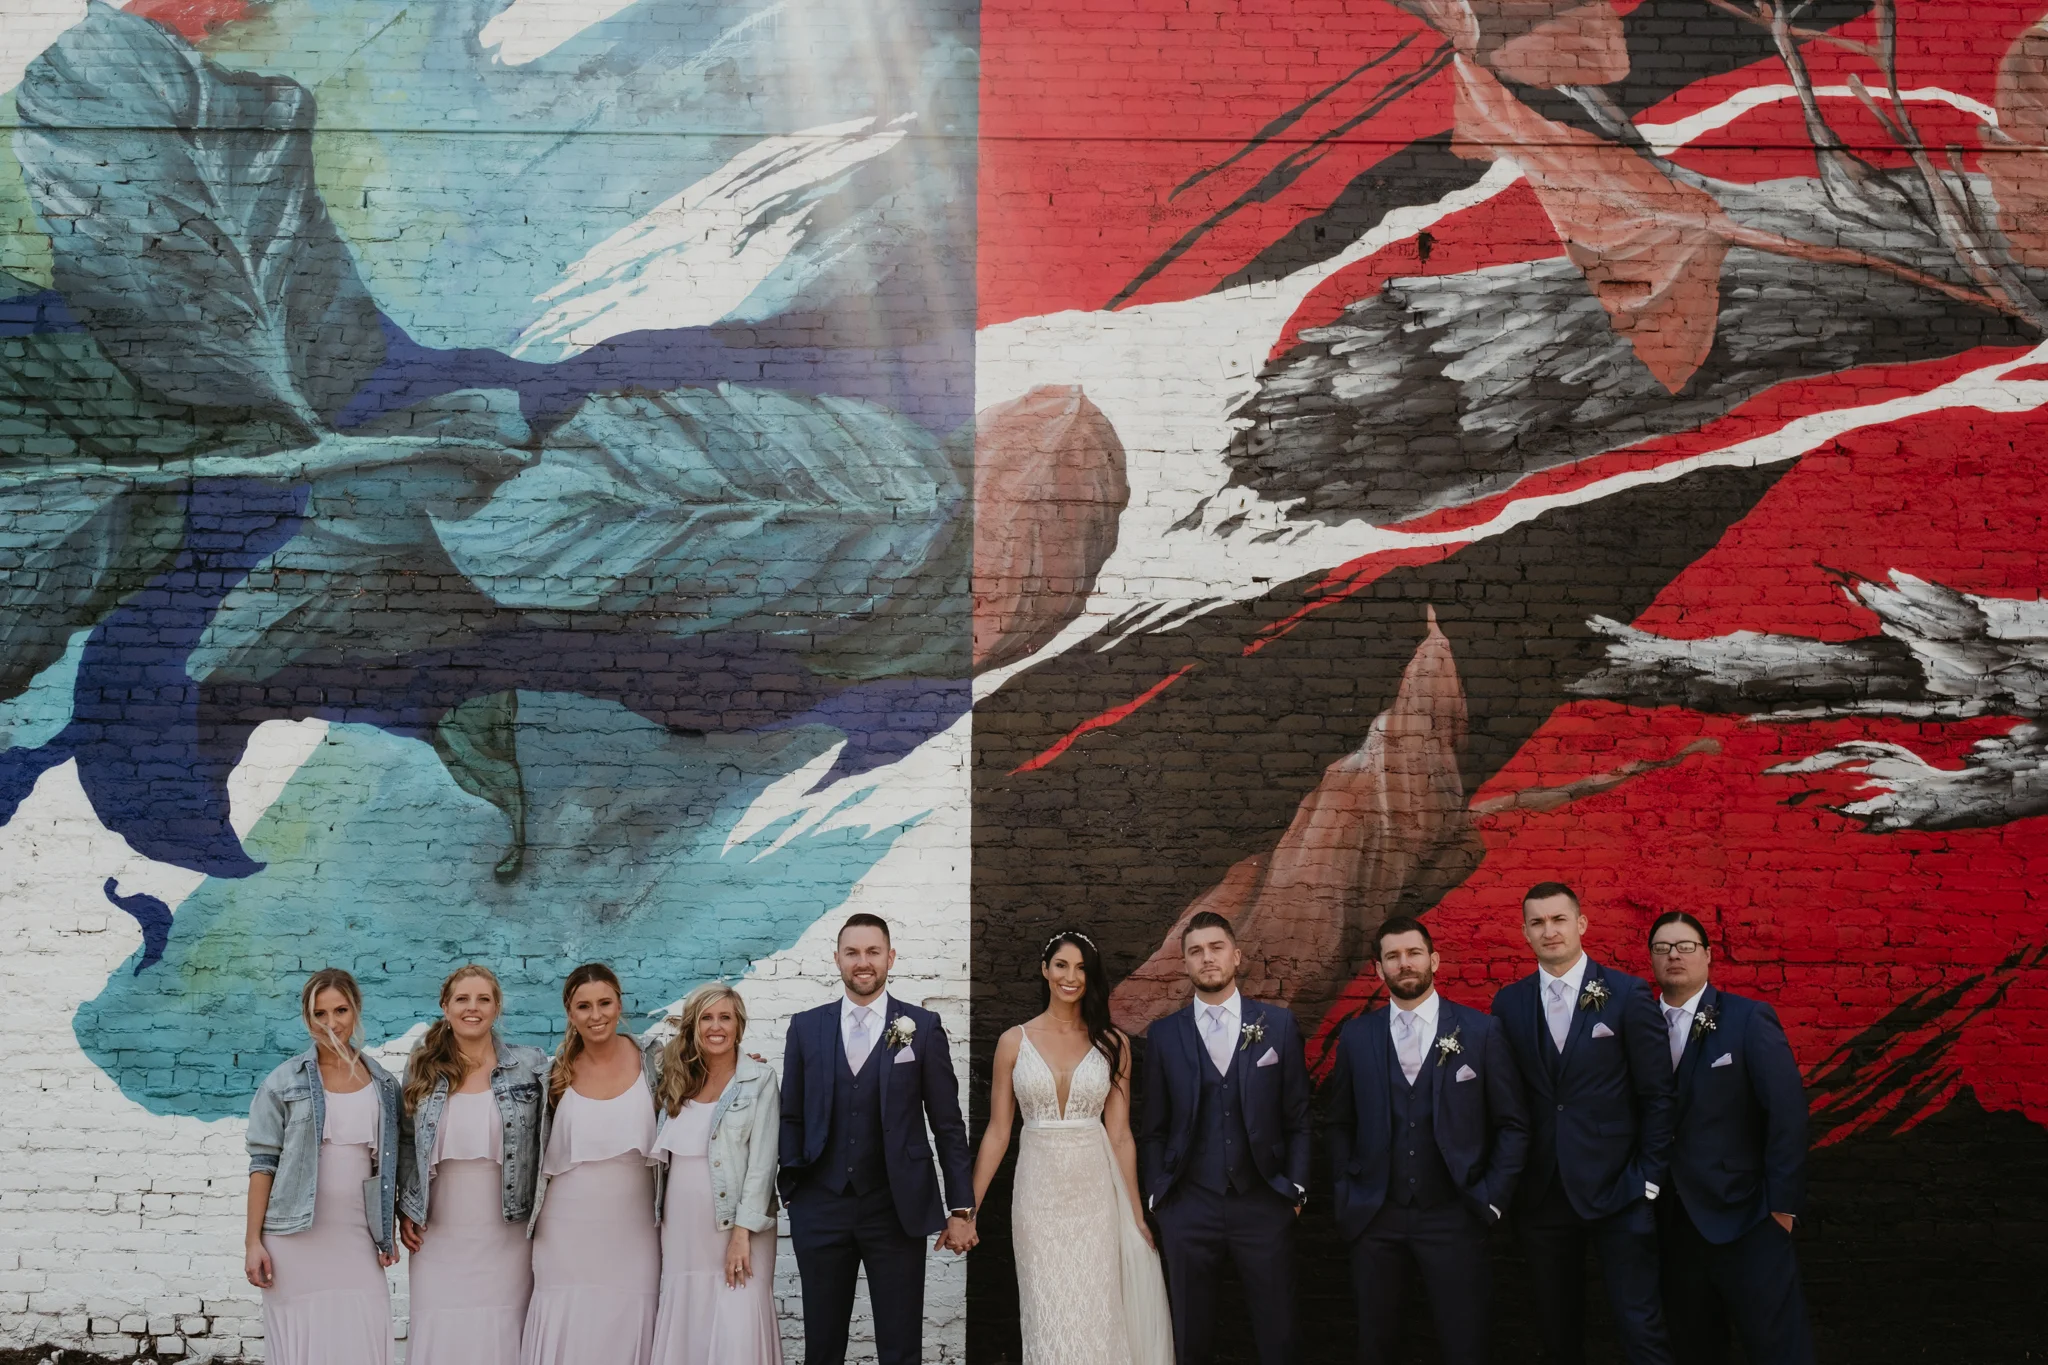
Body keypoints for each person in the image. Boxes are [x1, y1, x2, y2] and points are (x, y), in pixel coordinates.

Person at [1325, 916, 1528, 1365]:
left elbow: (1513, 1123)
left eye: (1414, 953)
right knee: (1377, 1346)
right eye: (1393, 956)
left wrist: (1492, 1198)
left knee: (1465, 1345)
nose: (1405, 963)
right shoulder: (1357, 1035)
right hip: (1376, 1217)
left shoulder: (1481, 1031)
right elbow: (1339, 1122)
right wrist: (1346, 1190)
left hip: (1456, 1214)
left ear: (1434, 960)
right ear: (1378, 968)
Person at [778, 912, 976, 1365]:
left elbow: (948, 1124)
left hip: (896, 1208)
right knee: (822, 1349)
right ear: (837, 959)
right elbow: (791, 1115)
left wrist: (961, 1208)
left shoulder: (922, 1026)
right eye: (852, 952)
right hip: (821, 1206)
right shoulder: (805, 1027)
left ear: (891, 957)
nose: (862, 962)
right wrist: (792, 1190)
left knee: (900, 1348)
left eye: (872, 951)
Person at [1491, 882, 1677, 1365]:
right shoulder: (1508, 1004)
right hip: (1543, 1192)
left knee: (1639, 1323)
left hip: (1620, 1187)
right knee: (1557, 1329)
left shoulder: (1627, 994)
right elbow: (1506, 1100)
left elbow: (1658, 1095)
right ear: (1525, 932)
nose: (1549, 930)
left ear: (1581, 924)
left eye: (1558, 919)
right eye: (1537, 922)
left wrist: (1649, 1179)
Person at [969, 930, 1173, 1365]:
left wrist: (1135, 1214)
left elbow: (1120, 1134)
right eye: (1061, 965)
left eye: (1081, 968)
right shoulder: (1013, 1041)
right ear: (1045, 970)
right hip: (1037, 1200)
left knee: (1098, 1314)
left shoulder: (1113, 1043)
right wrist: (969, 1210)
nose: (1071, 976)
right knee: (1047, 1316)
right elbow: (999, 1132)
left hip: (1095, 1199)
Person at [1137, 910, 1311, 1365]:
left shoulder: (1278, 1026)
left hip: (1264, 1203)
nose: (1207, 958)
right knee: (1191, 1339)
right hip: (1188, 1208)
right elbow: (1153, 1127)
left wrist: (1294, 1190)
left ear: (1236, 955)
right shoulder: (1164, 1035)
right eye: (1196, 951)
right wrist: (1159, 1197)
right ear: (1185, 963)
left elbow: (1298, 1118)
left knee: (1279, 1336)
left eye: (1216, 948)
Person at [1647, 912, 1815, 1365]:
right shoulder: (1639, 1026)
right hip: (1672, 1224)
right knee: (1694, 1347)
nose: (1674, 955)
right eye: (1663, 948)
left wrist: (1782, 1209)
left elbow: (1787, 1113)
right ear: (1652, 959)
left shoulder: (1747, 1018)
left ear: (1707, 955)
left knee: (1778, 1347)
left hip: (1748, 1215)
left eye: (1685, 946)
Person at [243, 968, 402, 1365]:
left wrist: (389, 1231)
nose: (331, 1023)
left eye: (341, 1010)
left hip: (357, 1236)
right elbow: (263, 1164)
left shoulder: (384, 1084)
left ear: (356, 1010)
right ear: (307, 1017)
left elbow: (391, 1166)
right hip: (293, 1238)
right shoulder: (283, 1082)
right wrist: (252, 1243)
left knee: (362, 1337)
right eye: (320, 1013)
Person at [397, 964, 549, 1365]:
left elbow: (548, 1136)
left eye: (483, 999)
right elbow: (407, 1139)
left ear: (496, 1007)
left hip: (508, 1224)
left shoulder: (529, 1064)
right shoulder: (423, 1066)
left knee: (502, 1327)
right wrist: (404, 1206)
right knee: (441, 1323)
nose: (473, 1008)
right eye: (462, 999)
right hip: (438, 1225)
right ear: (445, 1007)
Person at [521, 963, 663, 1365]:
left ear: (620, 1005)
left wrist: (741, 1066)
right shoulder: (553, 1075)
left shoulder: (656, 1061)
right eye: (584, 1006)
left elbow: (706, 1084)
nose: (596, 1015)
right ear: (570, 1012)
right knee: (570, 1322)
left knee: (629, 1317)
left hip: (635, 1226)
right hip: (565, 1229)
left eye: (605, 1003)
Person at [649, 983, 784, 1365]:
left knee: (737, 1320)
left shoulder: (759, 1079)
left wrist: (742, 1233)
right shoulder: (676, 1079)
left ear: (739, 1025)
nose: (716, 1027)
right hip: (682, 1231)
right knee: (690, 1317)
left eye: (725, 1017)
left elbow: (763, 1164)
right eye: (706, 1018)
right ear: (693, 1026)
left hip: (737, 1227)